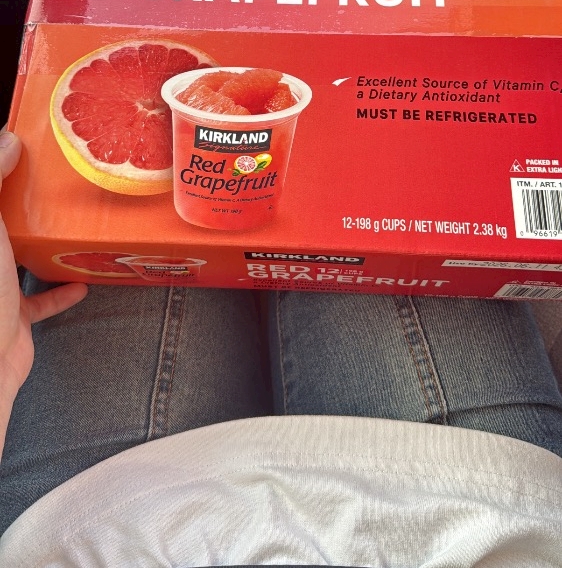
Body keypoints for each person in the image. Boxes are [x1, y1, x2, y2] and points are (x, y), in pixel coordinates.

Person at [0, 128, 561, 567]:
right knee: (396, 169)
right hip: (464, 504)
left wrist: (5, 369)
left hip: (98, 526)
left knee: (140, 221)